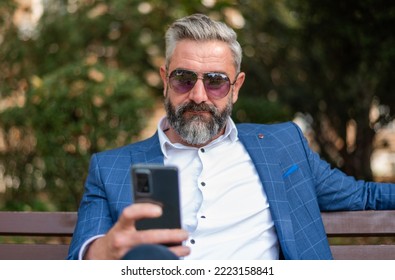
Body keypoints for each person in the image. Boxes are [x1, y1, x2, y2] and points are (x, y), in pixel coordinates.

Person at [67, 13, 395, 260]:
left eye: (215, 82)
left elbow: (364, 197)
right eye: (183, 78)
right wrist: (107, 250)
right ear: (165, 79)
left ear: (236, 88)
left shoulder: (284, 145)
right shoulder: (110, 168)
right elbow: (80, 258)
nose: (198, 95)